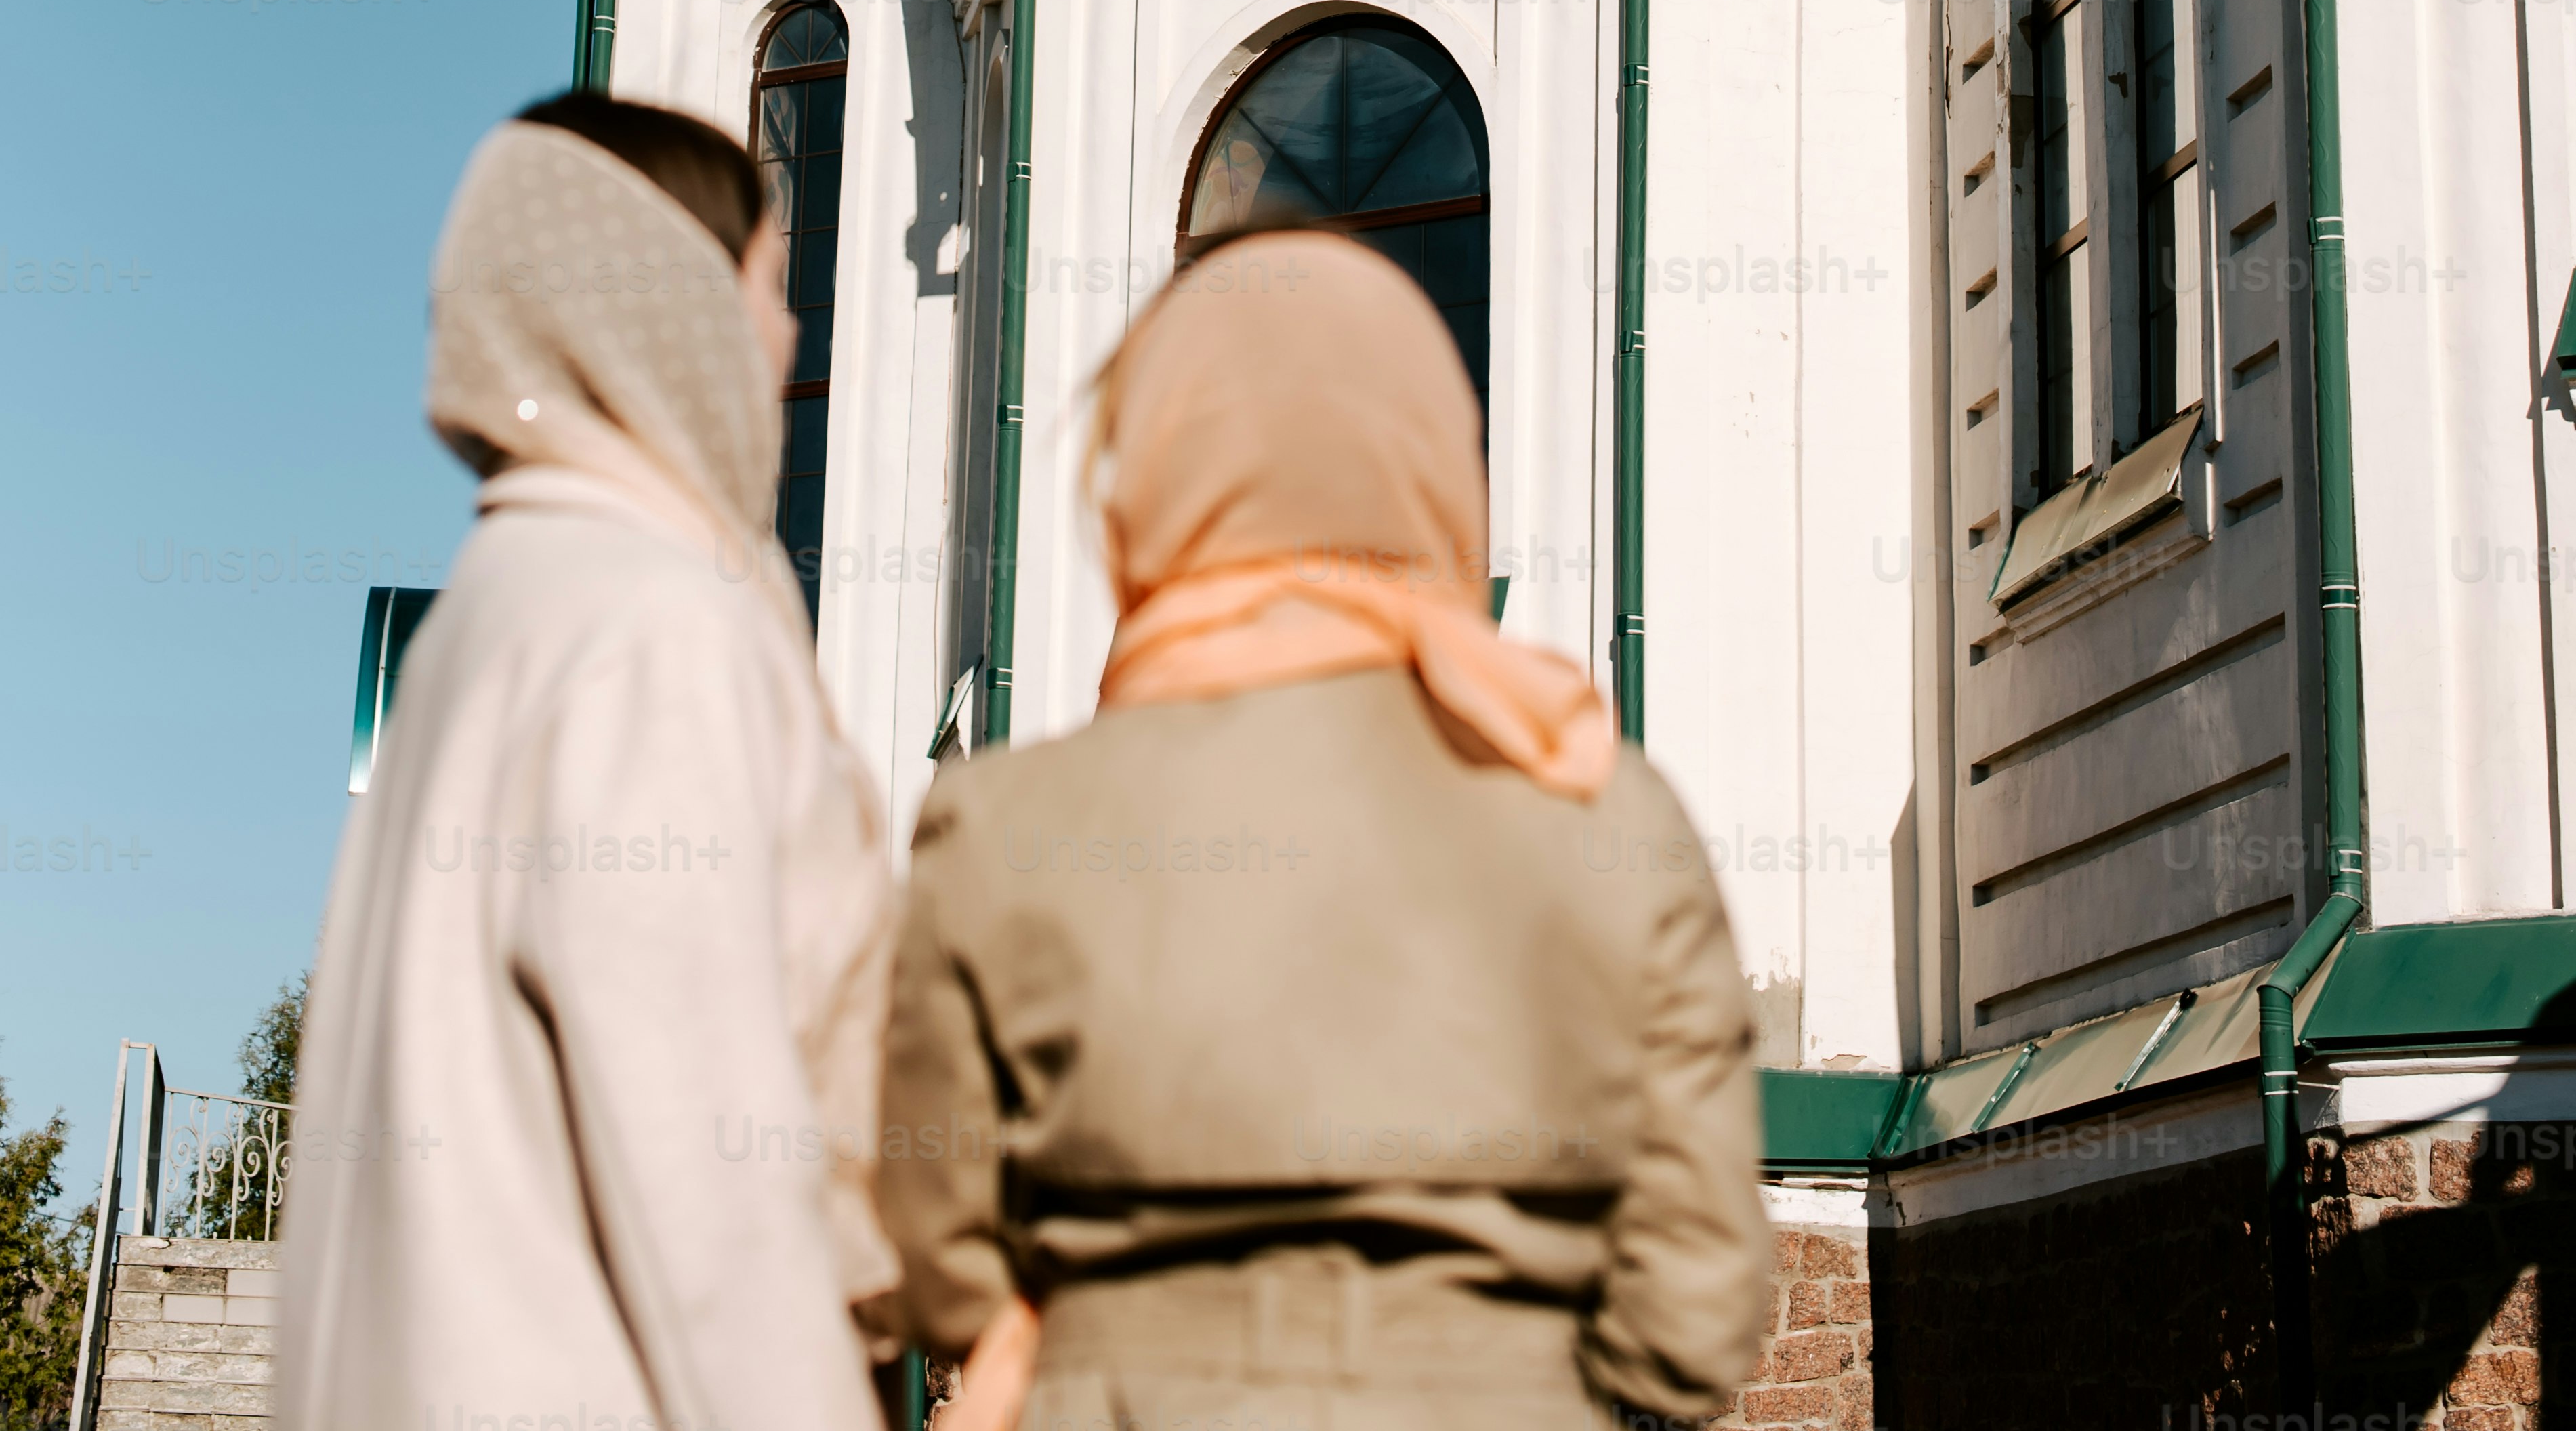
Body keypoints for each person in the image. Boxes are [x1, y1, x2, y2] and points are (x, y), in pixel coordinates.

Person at [879, 228, 1771, 1431]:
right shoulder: (1603, 809)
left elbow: (939, 1262)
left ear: (1146, 476)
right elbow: (1696, 1318)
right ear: (1436, 461)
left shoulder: (1000, 828)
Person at [276, 90, 897, 1431]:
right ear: (665, 302)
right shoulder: (654, 628)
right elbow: (704, 1165)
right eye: (771, 282)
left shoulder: (483, 619)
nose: (789, 329)